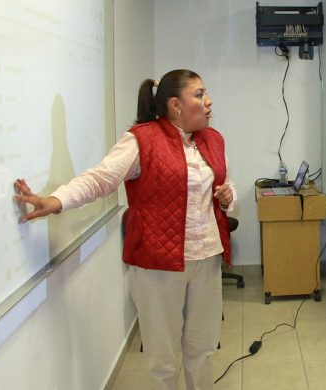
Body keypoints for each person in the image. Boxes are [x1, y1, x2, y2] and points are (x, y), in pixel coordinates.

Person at [14, 69, 236, 390]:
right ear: (175, 104)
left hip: (207, 256)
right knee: (163, 360)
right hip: (157, 265)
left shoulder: (212, 139)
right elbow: (101, 179)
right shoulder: (142, 139)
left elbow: (221, 185)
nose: (208, 101)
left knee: (201, 350)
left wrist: (228, 196)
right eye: (199, 94)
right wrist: (56, 199)